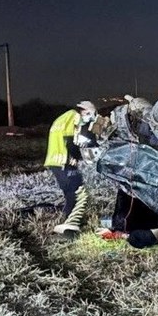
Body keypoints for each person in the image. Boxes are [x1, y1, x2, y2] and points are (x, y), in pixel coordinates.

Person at [45, 100, 98, 234]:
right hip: (63, 161)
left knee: (75, 188)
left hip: (58, 160)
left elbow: (75, 139)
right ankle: (68, 224)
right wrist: (73, 156)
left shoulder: (65, 118)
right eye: (91, 115)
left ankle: (71, 219)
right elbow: (70, 139)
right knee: (74, 192)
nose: (90, 120)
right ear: (85, 112)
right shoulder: (72, 115)